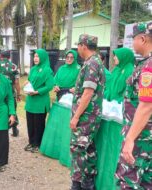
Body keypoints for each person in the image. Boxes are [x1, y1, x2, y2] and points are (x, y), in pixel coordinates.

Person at [115, 22, 152, 189]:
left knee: (128, 181)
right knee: (145, 183)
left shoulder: (148, 67)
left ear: (143, 39)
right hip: (145, 136)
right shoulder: (144, 63)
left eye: (134, 39)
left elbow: (146, 106)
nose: (132, 43)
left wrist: (130, 139)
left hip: (140, 137)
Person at [95, 47, 135, 189]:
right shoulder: (116, 70)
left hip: (120, 111)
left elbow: (127, 91)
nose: (114, 59)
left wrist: (118, 101)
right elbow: (109, 87)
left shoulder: (130, 70)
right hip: (109, 109)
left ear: (124, 57)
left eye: (116, 56)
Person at [70, 34, 105, 190]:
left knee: (79, 150)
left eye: (78, 45)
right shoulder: (95, 62)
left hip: (86, 117)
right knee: (88, 149)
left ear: (83, 46)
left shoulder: (92, 64)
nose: (77, 48)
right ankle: (87, 184)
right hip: (90, 115)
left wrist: (76, 116)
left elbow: (88, 93)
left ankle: (78, 185)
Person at [39, 49, 80, 166]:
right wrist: (55, 86)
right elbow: (54, 81)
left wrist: (75, 89)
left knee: (66, 126)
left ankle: (64, 153)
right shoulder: (61, 69)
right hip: (60, 98)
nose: (69, 59)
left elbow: (81, 84)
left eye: (72, 57)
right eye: (67, 57)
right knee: (56, 124)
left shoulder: (79, 69)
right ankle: (54, 150)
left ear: (75, 58)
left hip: (70, 100)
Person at [24, 48, 54, 153]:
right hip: (30, 101)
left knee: (39, 124)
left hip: (40, 102)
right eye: (35, 56)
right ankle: (31, 142)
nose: (35, 58)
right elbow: (29, 81)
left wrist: (37, 92)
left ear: (43, 58)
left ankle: (38, 144)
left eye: (38, 56)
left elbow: (50, 86)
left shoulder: (47, 70)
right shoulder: (33, 69)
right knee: (30, 123)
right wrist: (26, 85)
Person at [0, 51, 20, 137]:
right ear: (9, 57)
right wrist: (18, 94)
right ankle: (14, 130)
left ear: (1, 56)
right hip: (11, 94)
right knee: (12, 111)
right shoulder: (14, 67)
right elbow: (16, 82)